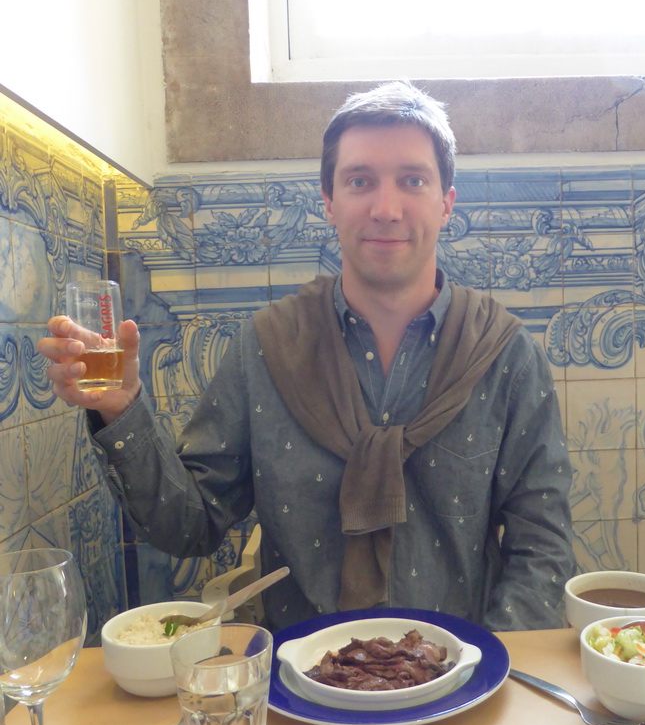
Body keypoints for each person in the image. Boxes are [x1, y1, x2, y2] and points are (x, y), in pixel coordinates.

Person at [39, 81, 575, 632]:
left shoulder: (506, 356)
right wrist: (122, 411)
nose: (386, 208)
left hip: (464, 684)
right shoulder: (267, 348)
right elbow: (189, 527)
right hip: (302, 692)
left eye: (412, 181)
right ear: (328, 202)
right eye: (360, 181)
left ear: (446, 203)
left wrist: (492, 669)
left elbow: (543, 549)